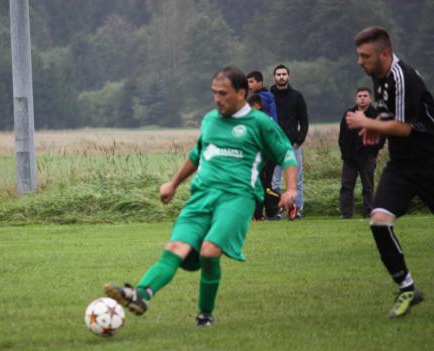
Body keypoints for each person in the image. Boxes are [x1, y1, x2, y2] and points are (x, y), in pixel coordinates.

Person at [104, 67, 298, 326]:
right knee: (175, 248)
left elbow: (286, 154)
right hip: (201, 196)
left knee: (209, 251)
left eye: (223, 93)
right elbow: (197, 155)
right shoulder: (210, 120)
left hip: (237, 197)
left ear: (242, 93)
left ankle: (205, 315)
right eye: (214, 93)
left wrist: (291, 189)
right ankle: (141, 295)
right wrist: (173, 183)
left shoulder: (260, 123)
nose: (217, 99)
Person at [346, 26, 434, 318]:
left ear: (384, 54)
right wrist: (376, 130)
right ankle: (407, 287)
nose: (360, 61)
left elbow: (403, 127)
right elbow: (390, 118)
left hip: (429, 162)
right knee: (379, 221)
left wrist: (366, 123)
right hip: (401, 165)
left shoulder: (402, 76)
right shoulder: (378, 76)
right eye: (359, 55)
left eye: (365, 56)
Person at [338, 87, 385, 218]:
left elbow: (381, 137)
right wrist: (345, 154)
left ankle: (368, 212)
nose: (362, 98)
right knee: (346, 187)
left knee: (368, 186)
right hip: (349, 158)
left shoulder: (375, 115)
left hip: (367, 157)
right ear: (356, 99)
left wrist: (373, 152)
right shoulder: (349, 114)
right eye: (360, 96)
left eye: (365, 96)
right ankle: (346, 214)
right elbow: (342, 136)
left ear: (370, 99)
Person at [270, 64, 308, 217]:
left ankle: (297, 209)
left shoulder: (297, 96)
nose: (281, 77)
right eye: (278, 74)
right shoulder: (269, 96)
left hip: (293, 145)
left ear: (288, 76)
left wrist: (299, 140)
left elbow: (304, 121)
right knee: (274, 181)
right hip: (274, 145)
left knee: (297, 179)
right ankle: (276, 210)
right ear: (274, 77)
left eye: (284, 74)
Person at [247, 71, 280, 220]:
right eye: (247, 82)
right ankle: (268, 213)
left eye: (251, 81)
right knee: (262, 182)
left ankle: (278, 206)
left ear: (260, 83)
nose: (249, 85)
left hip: (265, 149)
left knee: (262, 183)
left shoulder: (261, 99)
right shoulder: (268, 97)